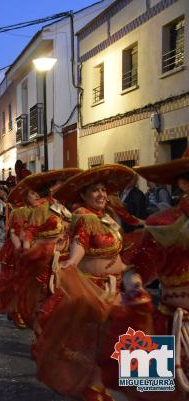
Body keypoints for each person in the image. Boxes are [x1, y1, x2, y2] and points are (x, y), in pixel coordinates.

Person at [36, 164, 153, 401]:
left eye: (103, 190)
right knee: (98, 341)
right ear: (83, 196)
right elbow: (79, 246)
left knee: (119, 338)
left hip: (116, 287)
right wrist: (70, 264)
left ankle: (105, 386)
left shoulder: (108, 218)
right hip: (94, 289)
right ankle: (95, 387)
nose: (101, 195)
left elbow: (118, 252)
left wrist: (133, 277)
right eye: (95, 191)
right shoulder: (84, 218)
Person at [128, 150, 189, 399]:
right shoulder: (160, 224)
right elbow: (137, 270)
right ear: (184, 183)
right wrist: (134, 292)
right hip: (171, 324)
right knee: (158, 393)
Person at [16, 168, 82, 329]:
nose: (64, 186)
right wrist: (28, 250)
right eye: (61, 183)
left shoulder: (62, 206)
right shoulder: (42, 207)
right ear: (52, 187)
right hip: (46, 259)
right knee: (44, 297)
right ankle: (41, 337)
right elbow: (30, 231)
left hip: (64, 258)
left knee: (61, 299)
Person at [0, 175, 39, 328]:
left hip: (35, 250)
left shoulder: (43, 210)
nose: (37, 196)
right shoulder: (20, 211)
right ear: (26, 195)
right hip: (17, 249)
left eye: (38, 193)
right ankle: (15, 310)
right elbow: (14, 232)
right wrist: (21, 250)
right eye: (33, 193)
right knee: (15, 281)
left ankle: (27, 309)